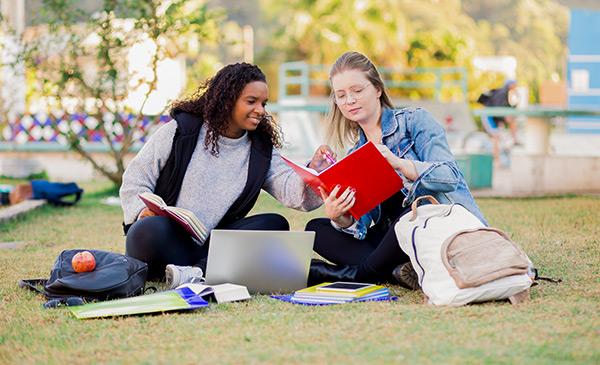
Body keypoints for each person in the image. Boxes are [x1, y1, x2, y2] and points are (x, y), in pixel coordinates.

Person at [120, 62, 331, 284]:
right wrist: (143, 212)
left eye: (263, 103)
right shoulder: (182, 130)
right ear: (227, 99)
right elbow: (135, 180)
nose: (260, 110)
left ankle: (195, 273)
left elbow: (292, 192)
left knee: (274, 223)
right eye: (251, 101)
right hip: (168, 240)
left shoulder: (260, 149)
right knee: (149, 229)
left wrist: (314, 170)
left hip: (214, 248)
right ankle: (192, 269)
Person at [305, 51, 487, 288]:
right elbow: (362, 223)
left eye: (357, 91)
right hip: (391, 241)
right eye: (341, 95)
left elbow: (450, 176)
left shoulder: (414, 121)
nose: (349, 100)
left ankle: (353, 275)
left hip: (429, 227)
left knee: (410, 217)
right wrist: (340, 215)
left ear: (377, 89)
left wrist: (400, 164)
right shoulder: (354, 154)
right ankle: (398, 270)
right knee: (316, 229)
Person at [477, 80, 521, 161]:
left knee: (498, 136)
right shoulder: (502, 93)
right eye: (515, 85)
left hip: (494, 117)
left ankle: (513, 140)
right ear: (510, 85)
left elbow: (507, 108)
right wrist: (503, 119)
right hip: (488, 116)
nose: (516, 87)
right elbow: (499, 109)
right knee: (495, 137)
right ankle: (496, 159)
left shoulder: (505, 93)